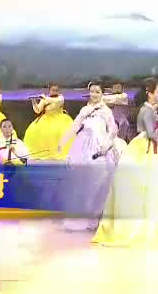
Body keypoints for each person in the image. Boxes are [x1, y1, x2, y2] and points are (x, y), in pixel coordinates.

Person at [93, 78, 158, 247]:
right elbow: (151, 134)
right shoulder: (146, 110)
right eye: (156, 92)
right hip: (148, 147)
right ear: (149, 93)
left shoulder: (148, 108)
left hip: (149, 145)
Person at [58, 83, 119, 231]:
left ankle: (94, 219)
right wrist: (63, 141)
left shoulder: (106, 111)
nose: (94, 94)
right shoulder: (85, 110)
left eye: (97, 92)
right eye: (92, 92)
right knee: (82, 184)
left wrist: (106, 145)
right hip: (83, 148)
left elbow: (112, 130)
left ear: (102, 93)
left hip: (99, 149)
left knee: (98, 184)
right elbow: (74, 126)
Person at [24, 83, 74, 160]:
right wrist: (34, 102)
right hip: (46, 119)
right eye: (53, 90)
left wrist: (44, 98)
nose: (55, 92)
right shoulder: (45, 99)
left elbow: (55, 101)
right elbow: (38, 110)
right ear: (49, 90)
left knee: (60, 132)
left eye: (56, 90)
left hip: (60, 119)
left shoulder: (60, 98)